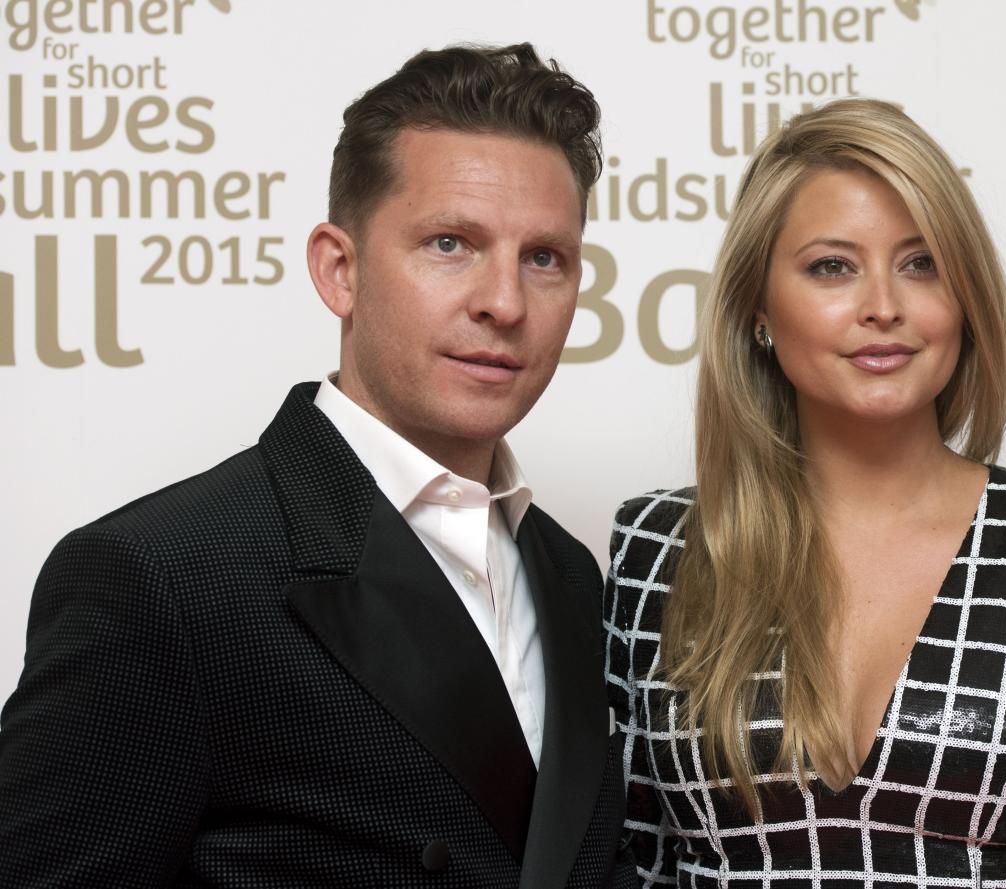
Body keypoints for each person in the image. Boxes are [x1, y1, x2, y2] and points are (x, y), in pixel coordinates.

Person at [1, 43, 630, 888]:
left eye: (543, 258)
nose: (505, 301)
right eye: (451, 243)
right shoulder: (162, 577)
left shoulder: (568, 571)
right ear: (340, 269)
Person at [603, 98, 1006, 888]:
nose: (884, 306)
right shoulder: (661, 546)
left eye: (921, 263)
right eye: (833, 266)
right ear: (758, 308)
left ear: (966, 297)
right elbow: (632, 867)